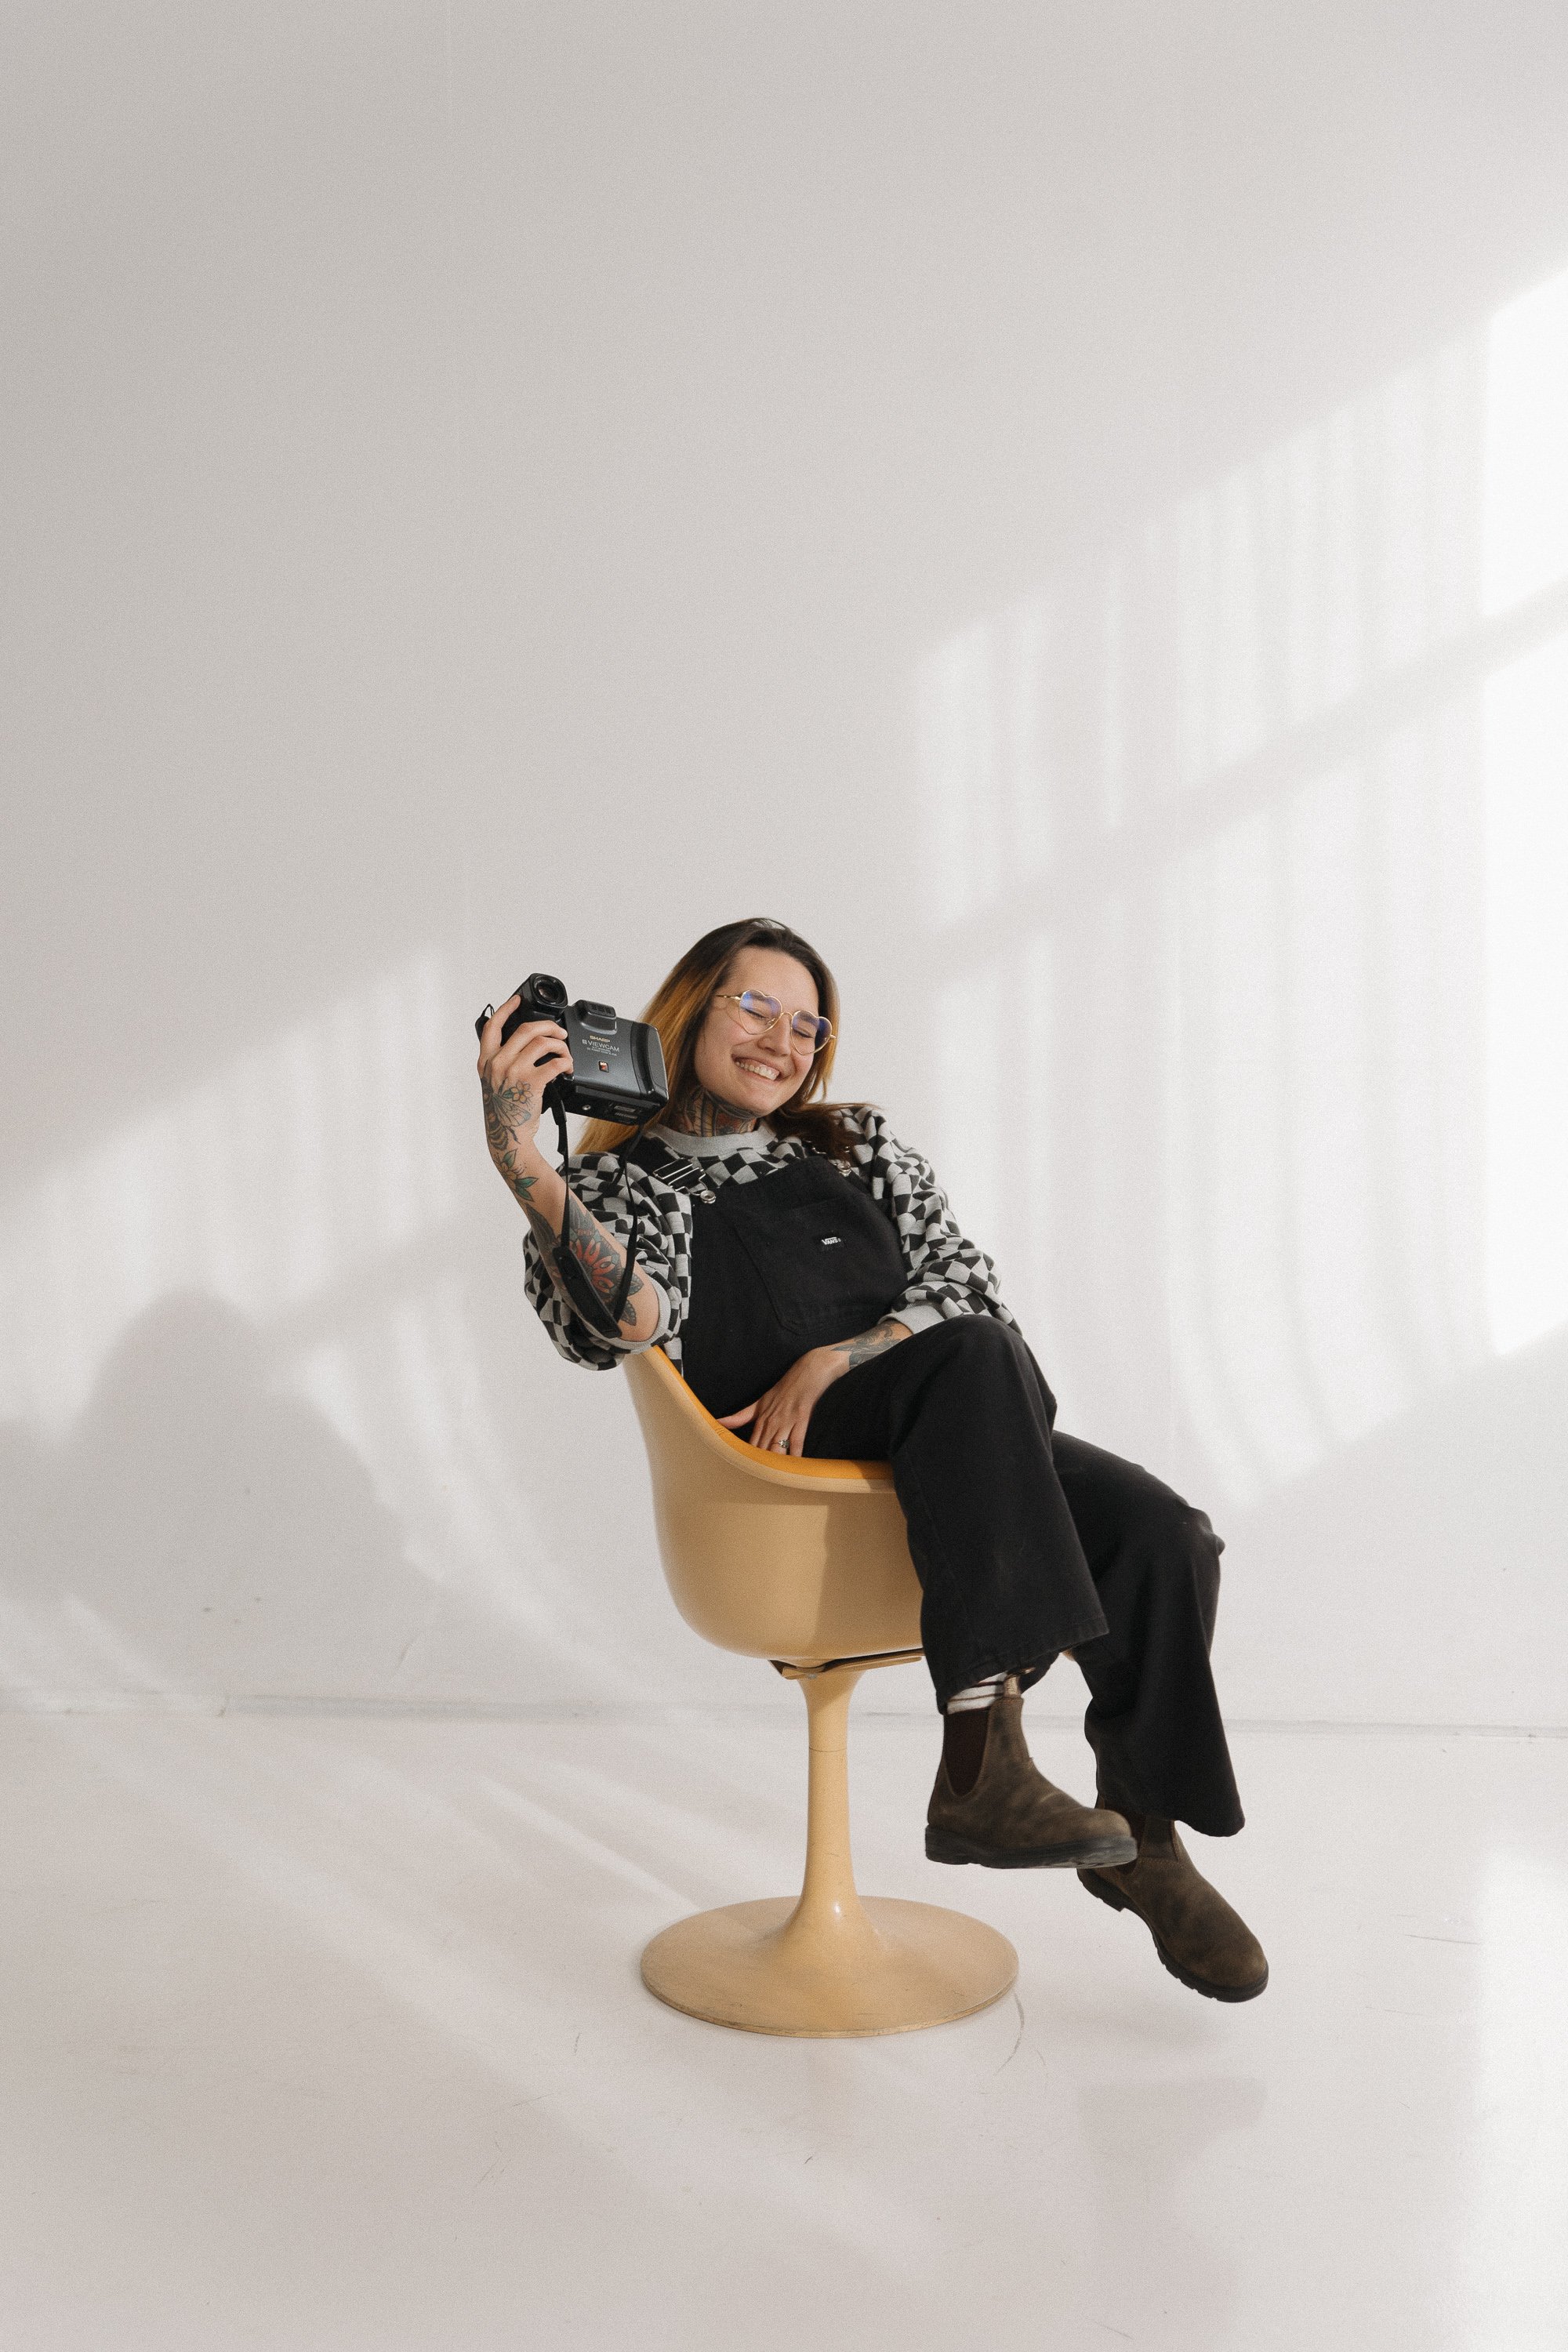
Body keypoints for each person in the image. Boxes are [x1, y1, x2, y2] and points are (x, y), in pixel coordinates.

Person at [477, 916, 1268, 2003]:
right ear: (687, 1010)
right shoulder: (626, 1187)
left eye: (808, 1024)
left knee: (1164, 1535)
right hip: (796, 1492)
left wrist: (836, 1358)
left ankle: (1143, 1839)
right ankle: (978, 1769)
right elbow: (623, 1323)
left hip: (960, 1438)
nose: (785, 1040)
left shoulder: (855, 1144)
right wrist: (527, 1162)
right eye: (755, 1007)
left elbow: (978, 1295)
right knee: (976, 1359)